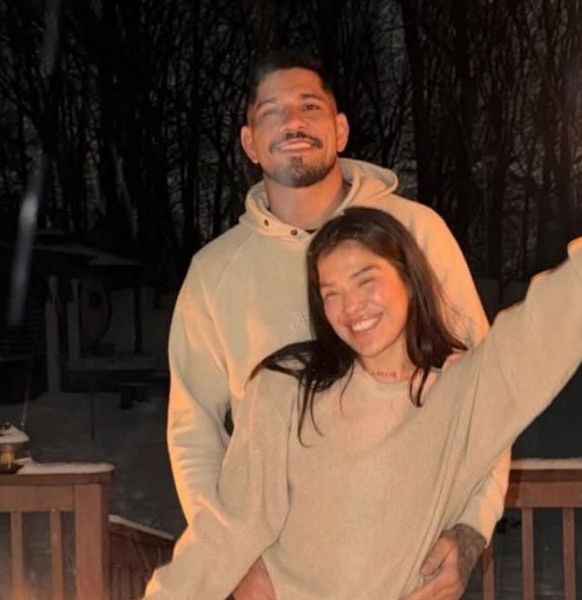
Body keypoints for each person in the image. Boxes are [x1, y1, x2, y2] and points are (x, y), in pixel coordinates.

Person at [147, 116, 582, 599]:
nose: (351, 307)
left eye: (366, 279)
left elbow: (565, 307)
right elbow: (222, 536)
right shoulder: (286, 392)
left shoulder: (458, 396)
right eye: (331, 293)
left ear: (408, 277)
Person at [166, 50, 509, 599]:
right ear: (250, 143)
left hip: (411, 571)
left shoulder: (416, 234)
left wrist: (471, 527)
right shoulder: (214, 273)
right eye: (272, 112)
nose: (293, 122)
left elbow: (486, 395)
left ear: (340, 129)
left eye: (309, 106)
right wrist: (233, 560)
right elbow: (194, 433)